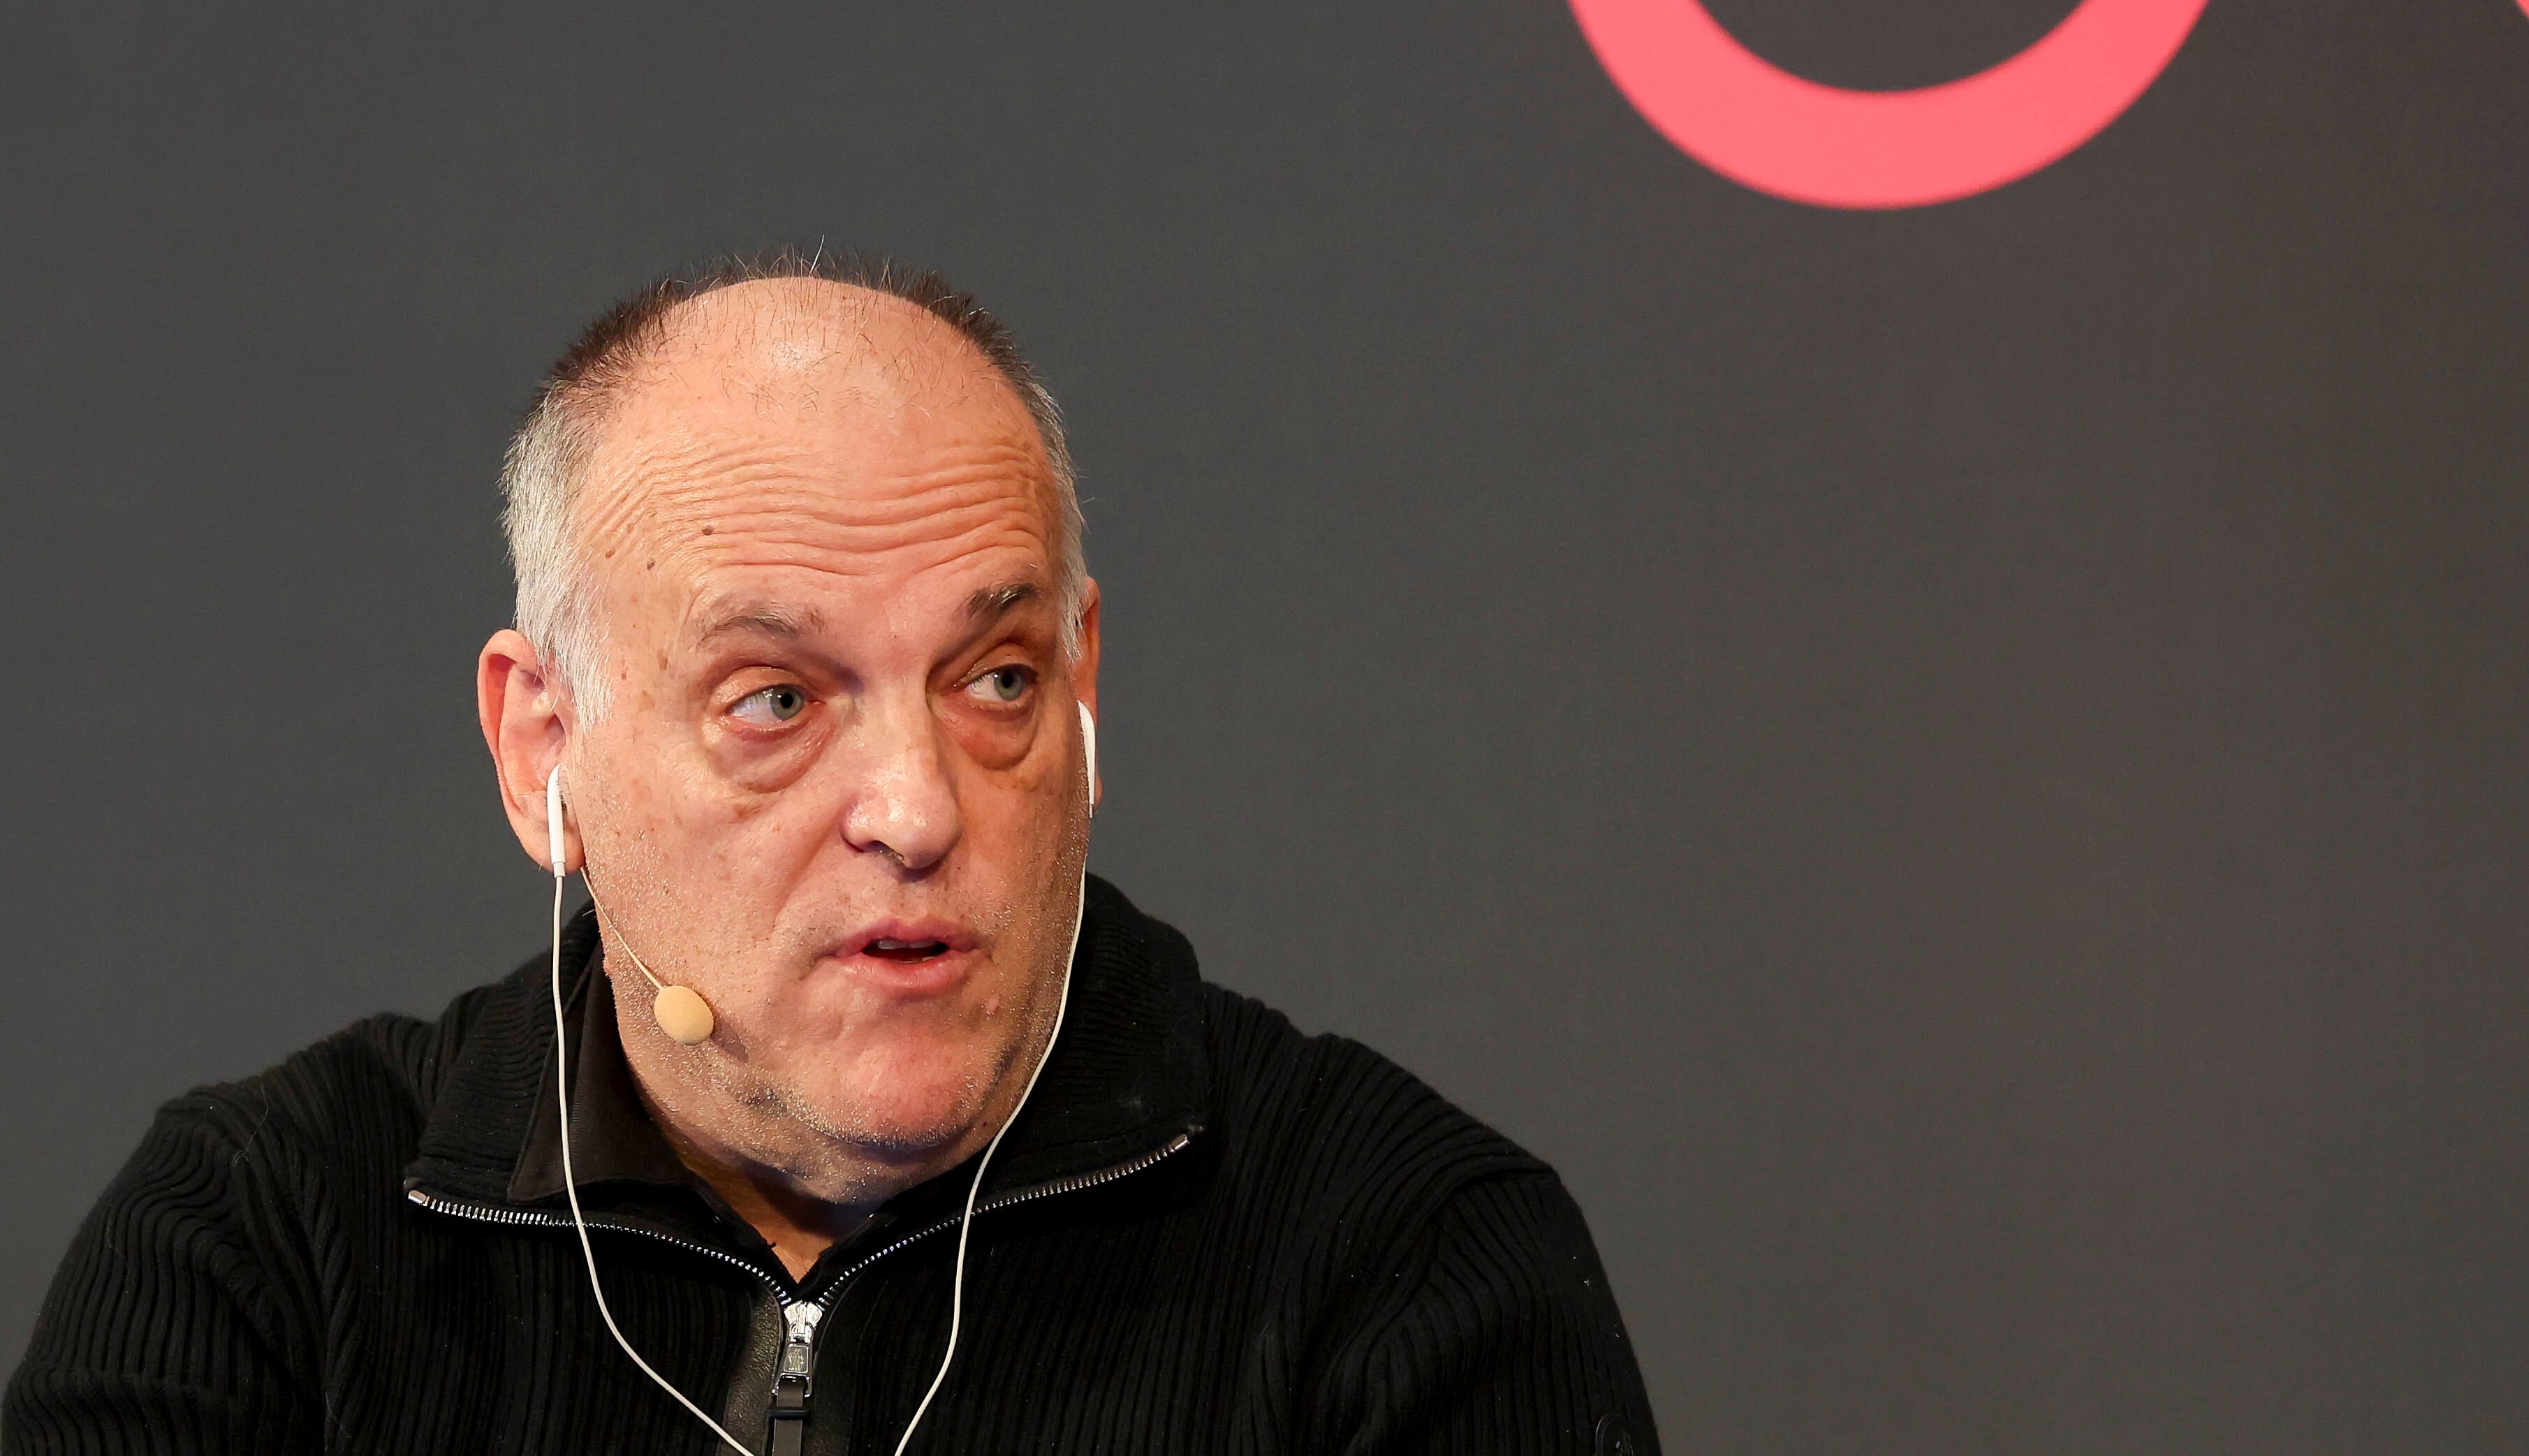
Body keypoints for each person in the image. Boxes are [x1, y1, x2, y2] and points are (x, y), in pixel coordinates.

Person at [1, 252, 1657, 1455]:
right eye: (776, 699)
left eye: (994, 681)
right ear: (543, 752)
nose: (918, 809)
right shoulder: (262, 1248)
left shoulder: (1406, 1256)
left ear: (1083, 694)